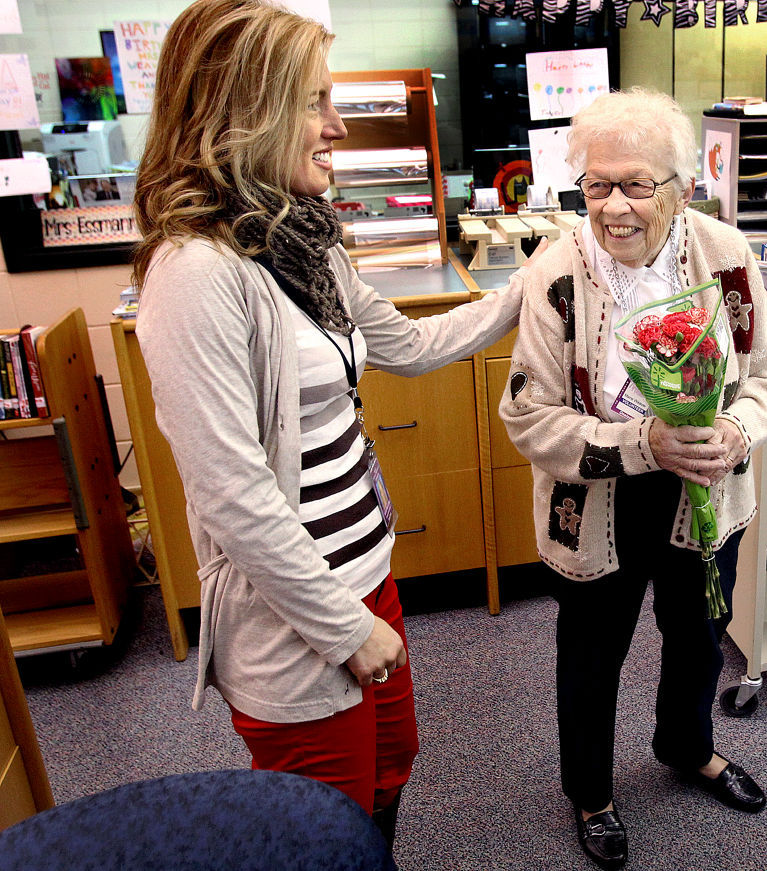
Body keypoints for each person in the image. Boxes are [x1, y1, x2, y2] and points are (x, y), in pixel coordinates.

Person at [131, 0, 541, 862]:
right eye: (314, 101)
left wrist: (526, 289)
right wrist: (344, 629)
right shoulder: (195, 273)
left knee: (394, 764)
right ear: (246, 110)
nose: (337, 124)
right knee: (324, 816)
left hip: (364, 573)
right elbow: (232, 493)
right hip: (294, 614)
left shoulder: (303, 242)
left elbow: (411, 344)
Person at [498, 88, 767, 870]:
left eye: (636, 184)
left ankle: (687, 746)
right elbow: (528, 417)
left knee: (696, 638)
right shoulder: (554, 274)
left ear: (682, 187)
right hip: (596, 497)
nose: (614, 207)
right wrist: (640, 442)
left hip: (705, 482)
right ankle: (590, 792)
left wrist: (734, 428)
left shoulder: (726, 255)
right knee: (592, 652)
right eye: (596, 186)